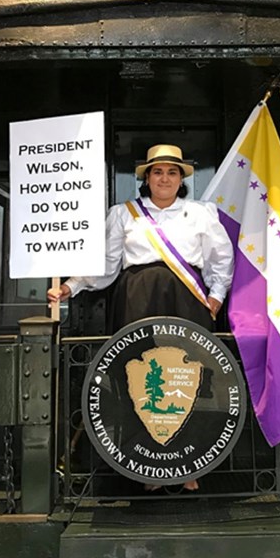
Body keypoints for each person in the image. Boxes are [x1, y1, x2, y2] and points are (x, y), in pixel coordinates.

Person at [47, 144, 234, 492]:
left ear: (182, 180)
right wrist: (70, 287)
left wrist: (215, 298)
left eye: (172, 172)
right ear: (147, 178)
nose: (165, 178)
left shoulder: (202, 214)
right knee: (142, 381)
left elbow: (220, 261)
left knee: (187, 380)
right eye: (158, 172)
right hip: (136, 299)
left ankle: (188, 466)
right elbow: (105, 265)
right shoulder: (124, 214)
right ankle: (151, 467)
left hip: (187, 301)